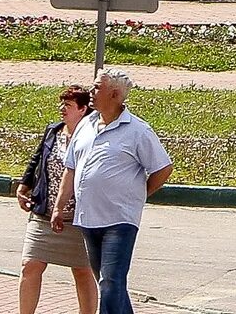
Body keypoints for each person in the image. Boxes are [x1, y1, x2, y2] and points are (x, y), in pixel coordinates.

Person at [59, 69, 171, 314]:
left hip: (120, 220)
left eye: (98, 87)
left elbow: (163, 168)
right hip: (89, 217)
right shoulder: (86, 125)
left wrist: (139, 195)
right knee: (109, 284)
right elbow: (71, 167)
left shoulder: (137, 130)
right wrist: (59, 207)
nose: (91, 91)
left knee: (111, 282)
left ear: (115, 94)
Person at [16, 84, 98, 314]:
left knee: (82, 271)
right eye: (62, 103)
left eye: (68, 105)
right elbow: (37, 158)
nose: (62, 109)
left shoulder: (93, 136)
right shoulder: (54, 130)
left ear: (82, 109)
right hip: (44, 212)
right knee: (30, 265)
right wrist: (24, 185)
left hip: (79, 217)